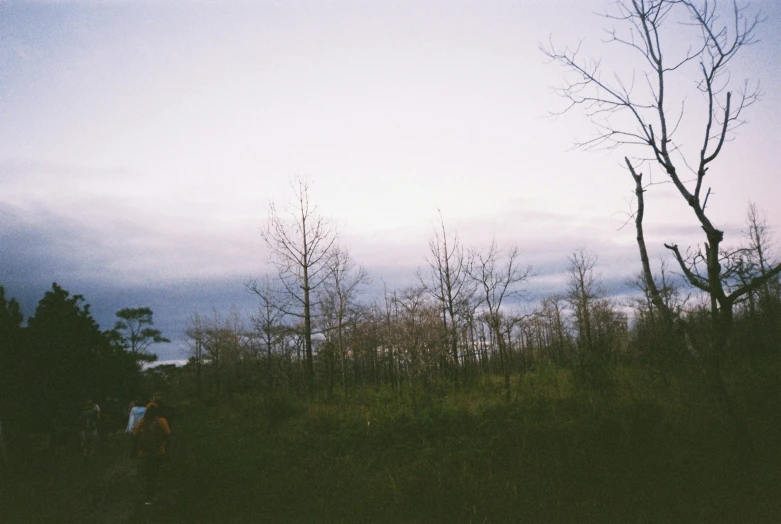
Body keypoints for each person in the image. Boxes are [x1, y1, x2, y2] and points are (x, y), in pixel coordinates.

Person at [132, 402, 171, 505]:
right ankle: (153, 495)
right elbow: (168, 434)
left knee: (147, 474)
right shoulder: (162, 421)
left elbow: (135, 435)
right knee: (155, 473)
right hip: (159, 452)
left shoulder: (142, 422)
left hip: (144, 453)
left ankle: (148, 497)